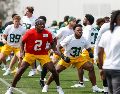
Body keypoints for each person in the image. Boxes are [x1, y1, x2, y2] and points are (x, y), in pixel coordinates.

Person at [5, 19, 64, 94]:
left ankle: (58, 87)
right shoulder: (29, 32)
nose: (42, 25)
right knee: (21, 70)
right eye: (40, 24)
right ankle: (11, 88)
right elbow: (22, 42)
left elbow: (52, 43)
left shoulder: (47, 33)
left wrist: (52, 49)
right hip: (30, 54)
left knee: (53, 69)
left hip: (43, 54)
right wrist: (22, 52)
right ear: (36, 26)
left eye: (43, 24)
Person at [42, 24, 102, 93]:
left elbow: (88, 48)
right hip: (68, 57)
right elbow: (58, 47)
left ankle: (95, 87)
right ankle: (46, 86)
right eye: (78, 30)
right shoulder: (69, 38)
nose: (80, 32)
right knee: (56, 71)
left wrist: (91, 53)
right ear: (74, 31)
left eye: (81, 30)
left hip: (78, 57)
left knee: (91, 67)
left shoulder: (84, 39)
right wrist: (63, 57)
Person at [98, 10, 120, 94]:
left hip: (107, 68)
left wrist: (100, 68)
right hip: (117, 68)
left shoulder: (106, 33)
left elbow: (100, 52)